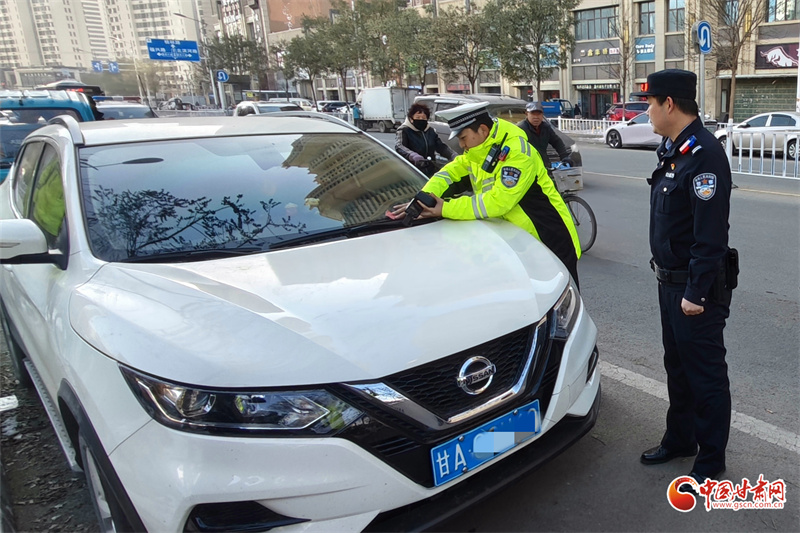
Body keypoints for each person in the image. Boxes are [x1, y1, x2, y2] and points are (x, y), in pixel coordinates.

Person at [634, 69, 736, 487]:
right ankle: (680, 439)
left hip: (695, 289)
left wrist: (695, 292)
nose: (647, 112)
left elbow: (710, 237)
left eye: (650, 104)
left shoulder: (704, 154)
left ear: (670, 104)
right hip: (670, 282)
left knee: (704, 375)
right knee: (677, 367)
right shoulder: (675, 148)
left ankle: (711, 461)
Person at [392, 101, 581, 286]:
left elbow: (498, 202)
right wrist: (423, 199)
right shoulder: (478, 151)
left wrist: (446, 208)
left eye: (463, 138)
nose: (462, 145)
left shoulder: (518, 153)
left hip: (549, 238)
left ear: (483, 130)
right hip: (518, 243)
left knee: (561, 301)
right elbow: (449, 174)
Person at [395, 103, 457, 177]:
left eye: (423, 118)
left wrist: (452, 155)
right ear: (411, 119)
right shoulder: (404, 130)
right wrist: (412, 155)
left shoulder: (430, 131)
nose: (421, 120)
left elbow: (441, 147)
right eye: (418, 117)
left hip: (430, 167)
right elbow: (399, 146)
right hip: (412, 170)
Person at [516, 102, 573, 171]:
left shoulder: (545, 127)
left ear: (542, 115)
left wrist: (564, 157)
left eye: (539, 114)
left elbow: (556, 141)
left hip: (544, 165)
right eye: (533, 114)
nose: (536, 117)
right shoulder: (520, 129)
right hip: (527, 167)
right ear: (527, 114)